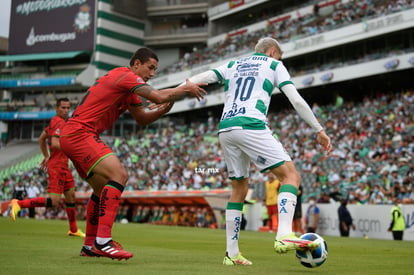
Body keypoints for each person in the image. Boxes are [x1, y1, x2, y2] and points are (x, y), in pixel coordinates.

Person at [183, 37, 332, 265]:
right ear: (272, 52)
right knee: (290, 176)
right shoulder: (274, 65)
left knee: (239, 188)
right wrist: (319, 129)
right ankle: (283, 235)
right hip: (251, 124)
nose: (280, 60)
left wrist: (179, 89)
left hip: (226, 129)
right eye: (279, 57)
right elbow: (296, 100)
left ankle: (231, 255)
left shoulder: (234, 64)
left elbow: (202, 77)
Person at [58, 47, 207, 260]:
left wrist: (164, 108)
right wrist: (184, 88)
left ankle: (90, 244)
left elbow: (142, 118)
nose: (153, 73)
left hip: (74, 134)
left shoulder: (128, 88)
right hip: (80, 133)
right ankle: (104, 242)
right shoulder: (125, 76)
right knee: (119, 175)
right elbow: (156, 95)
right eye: (150, 68)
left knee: (101, 190)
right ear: (136, 64)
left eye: (155, 69)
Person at [10, 98, 85, 237]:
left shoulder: (56, 122)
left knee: (71, 196)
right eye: (63, 107)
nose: (66, 110)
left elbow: (42, 138)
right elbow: (55, 143)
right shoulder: (58, 121)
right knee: (54, 202)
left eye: (68, 107)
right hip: (57, 167)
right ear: (57, 108)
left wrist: (46, 156)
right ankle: (19, 203)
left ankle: (73, 230)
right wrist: (75, 150)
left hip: (63, 165)